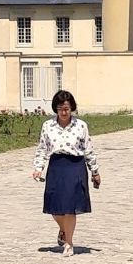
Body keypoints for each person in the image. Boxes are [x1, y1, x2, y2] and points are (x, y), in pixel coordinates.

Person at [31, 88, 100, 253]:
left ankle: (69, 242)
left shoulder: (81, 125)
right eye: (60, 108)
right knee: (54, 206)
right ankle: (63, 229)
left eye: (67, 108)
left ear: (72, 109)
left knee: (70, 206)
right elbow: (42, 148)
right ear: (56, 108)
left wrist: (95, 171)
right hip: (56, 166)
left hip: (75, 166)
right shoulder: (48, 126)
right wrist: (38, 167)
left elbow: (88, 149)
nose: (64, 112)